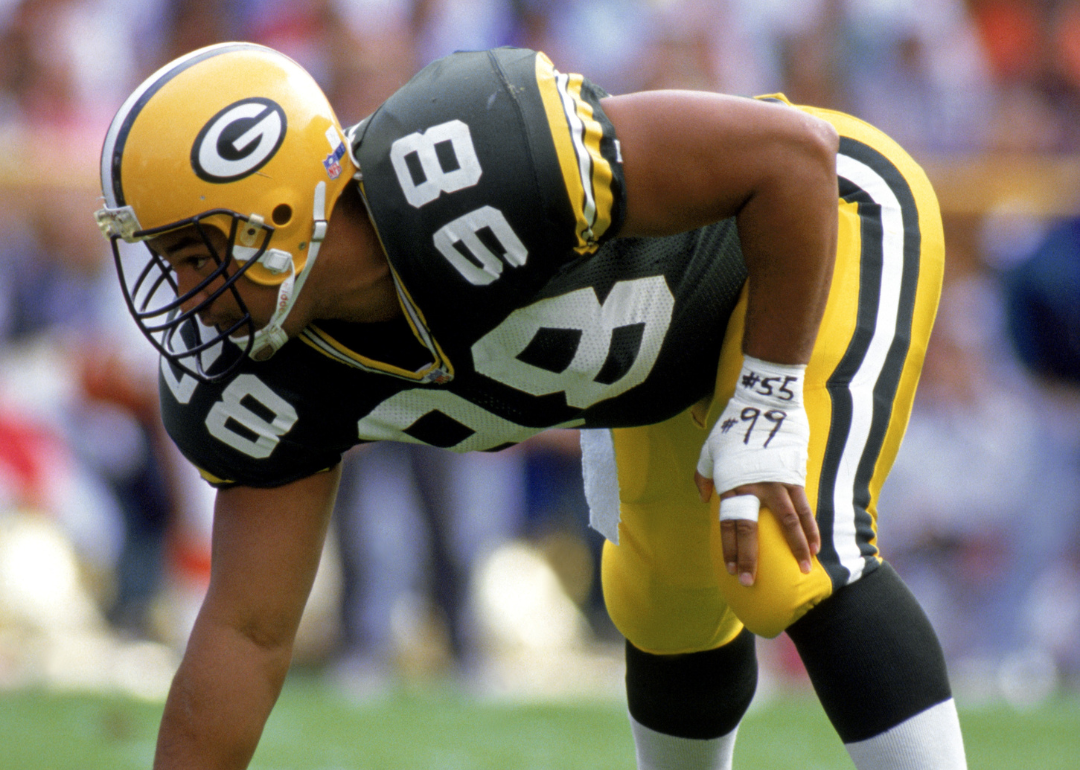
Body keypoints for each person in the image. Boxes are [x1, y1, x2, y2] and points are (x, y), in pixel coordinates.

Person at [93, 42, 966, 770]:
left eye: (194, 250)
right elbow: (246, 634)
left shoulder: (464, 157)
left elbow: (791, 158)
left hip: (815, 229)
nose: (182, 289)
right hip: (660, 365)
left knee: (786, 548)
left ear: (277, 209)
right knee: (664, 604)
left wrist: (767, 398)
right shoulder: (259, 372)